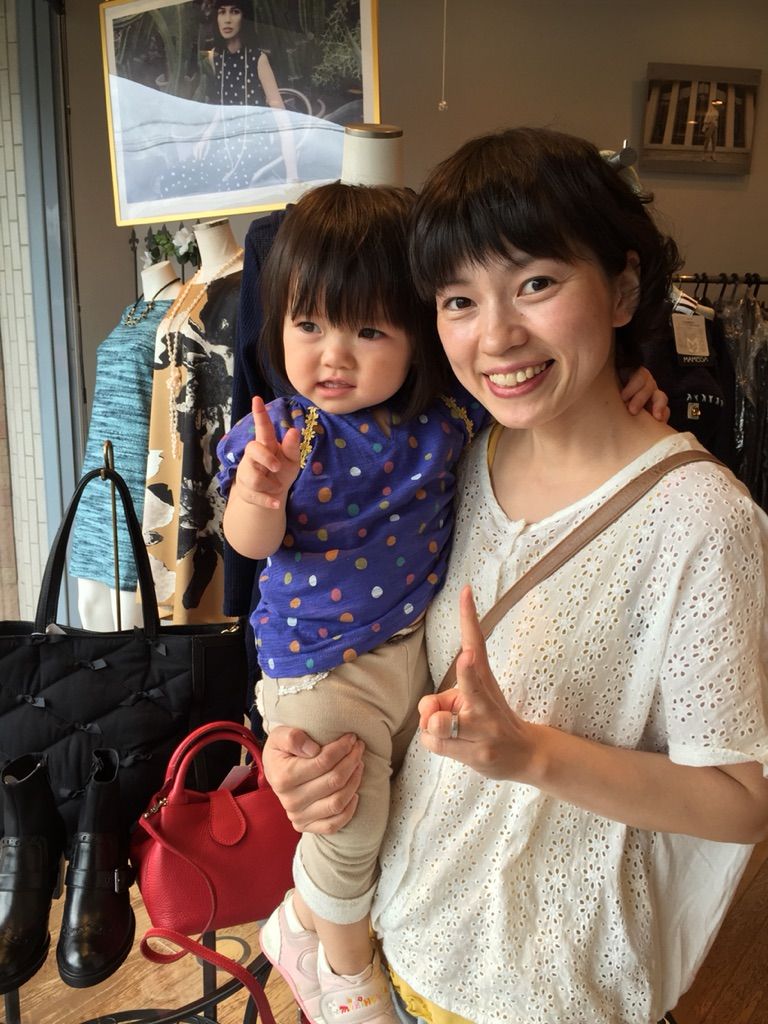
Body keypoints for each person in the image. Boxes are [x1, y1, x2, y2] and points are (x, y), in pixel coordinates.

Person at [260, 128, 768, 1024]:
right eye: (459, 300)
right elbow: (392, 673)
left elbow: (741, 804)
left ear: (622, 288)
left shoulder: (703, 520)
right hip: (400, 941)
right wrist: (303, 758)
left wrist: (531, 753)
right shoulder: (457, 463)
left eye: (535, 283)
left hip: (549, 992)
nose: (495, 336)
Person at [215, 179, 667, 1024]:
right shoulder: (284, 433)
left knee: (393, 810)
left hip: (410, 649)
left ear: (417, 337)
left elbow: (544, 406)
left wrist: (633, 383)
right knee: (350, 820)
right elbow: (247, 546)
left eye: (368, 331)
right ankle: (344, 976)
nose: (332, 356)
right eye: (308, 325)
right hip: (320, 663)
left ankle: (304, 919)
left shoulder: (445, 421)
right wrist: (259, 496)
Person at [194, 0, 297, 187]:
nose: (227, 19)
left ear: (244, 17)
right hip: (226, 140)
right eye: (222, 12)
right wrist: (206, 136)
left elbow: (281, 116)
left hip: (254, 146)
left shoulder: (258, 59)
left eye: (234, 12)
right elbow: (222, 105)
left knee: (224, 186)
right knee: (179, 177)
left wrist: (292, 175)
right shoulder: (215, 57)